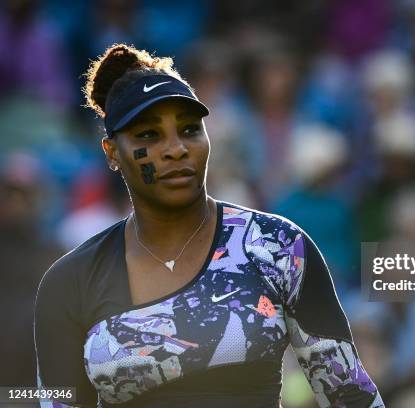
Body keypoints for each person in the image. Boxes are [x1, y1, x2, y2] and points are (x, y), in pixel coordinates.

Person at [34, 44, 385, 408]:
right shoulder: (70, 282)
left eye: (188, 129)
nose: (176, 149)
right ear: (111, 153)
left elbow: (350, 393)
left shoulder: (277, 247)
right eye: (149, 135)